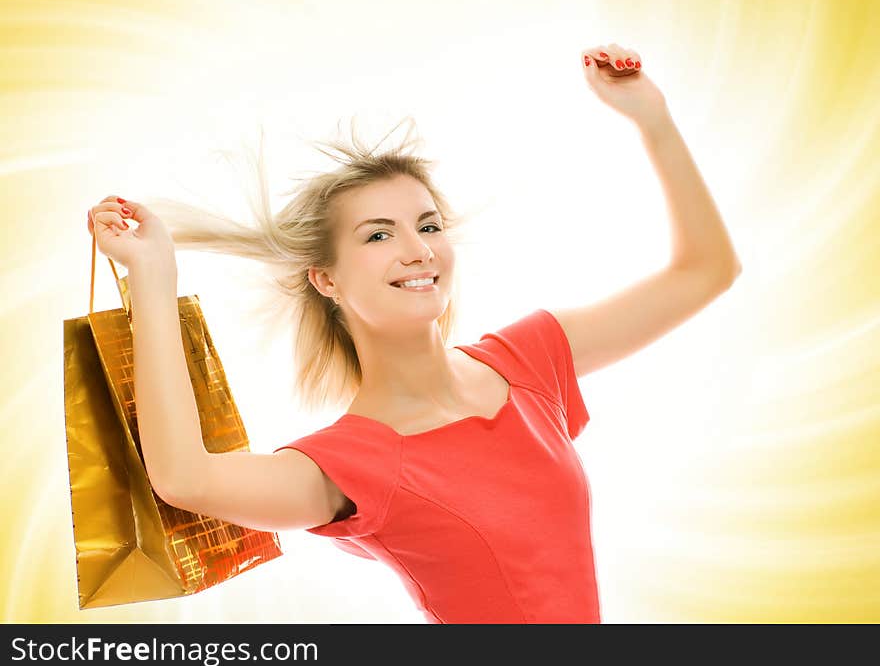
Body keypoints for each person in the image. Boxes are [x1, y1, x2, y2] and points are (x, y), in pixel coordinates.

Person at [86, 43, 742, 623]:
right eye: (379, 234)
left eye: (427, 226)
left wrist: (652, 119)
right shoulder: (356, 463)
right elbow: (184, 478)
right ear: (327, 280)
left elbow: (707, 271)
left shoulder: (530, 361)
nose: (417, 249)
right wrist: (153, 273)